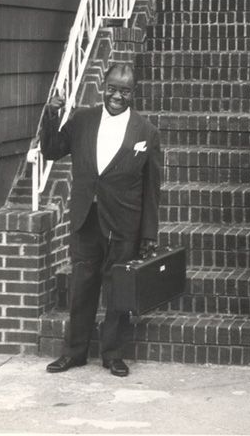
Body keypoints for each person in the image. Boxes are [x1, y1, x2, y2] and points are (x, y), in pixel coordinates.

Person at [41, 62, 161, 377]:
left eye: (124, 90)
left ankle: (113, 355)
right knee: (82, 286)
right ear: (102, 86)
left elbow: (151, 189)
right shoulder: (82, 120)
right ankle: (74, 352)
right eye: (112, 88)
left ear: (133, 92)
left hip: (124, 223)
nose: (117, 95)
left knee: (118, 289)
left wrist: (148, 234)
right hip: (86, 218)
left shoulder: (146, 132)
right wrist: (52, 115)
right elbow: (52, 150)